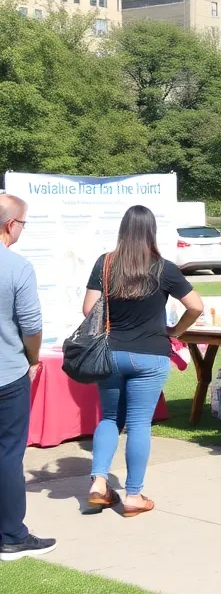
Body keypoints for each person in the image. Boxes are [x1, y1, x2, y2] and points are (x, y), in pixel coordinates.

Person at [83, 205, 204, 515]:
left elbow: (88, 310)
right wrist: (176, 331)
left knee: (110, 418)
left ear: (123, 230)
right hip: (150, 354)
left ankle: (98, 483)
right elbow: (196, 306)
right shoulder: (164, 268)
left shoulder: (105, 263)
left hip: (110, 353)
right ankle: (133, 495)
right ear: (152, 231)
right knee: (138, 424)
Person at [0, 195, 55, 560]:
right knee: (8, 454)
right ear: (11, 225)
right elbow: (32, 326)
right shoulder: (17, 267)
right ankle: (12, 535)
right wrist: (33, 358)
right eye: (23, 223)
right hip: (7, 374)